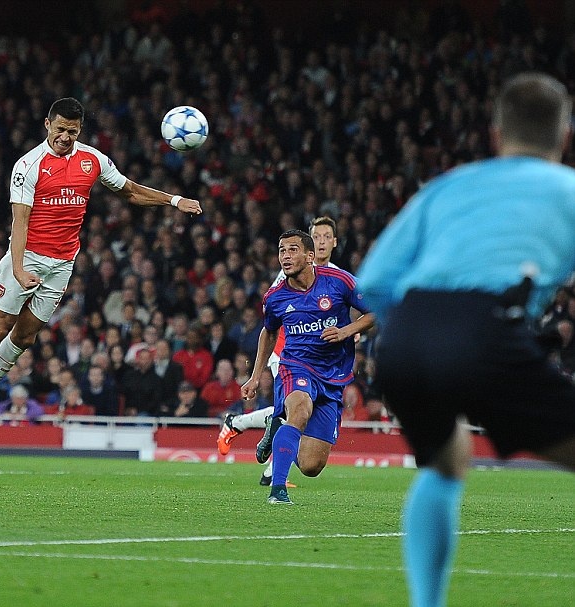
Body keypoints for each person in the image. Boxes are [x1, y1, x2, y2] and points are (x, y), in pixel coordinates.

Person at [356, 72, 575, 607]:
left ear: (495, 135)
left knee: (447, 460)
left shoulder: (448, 186)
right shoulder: (567, 189)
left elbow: (372, 282)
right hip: (485, 329)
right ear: (565, 135)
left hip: (405, 338)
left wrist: (425, 332)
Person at [0, 97, 202, 440]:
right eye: (59, 129)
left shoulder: (93, 160)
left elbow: (129, 191)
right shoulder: (28, 166)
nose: (65, 137)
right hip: (26, 256)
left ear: (79, 130)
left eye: (71, 131)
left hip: (62, 264)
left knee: (25, 337)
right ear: (47, 125)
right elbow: (19, 223)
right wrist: (19, 269)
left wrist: (174, 200)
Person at [239, 229, 373, 504]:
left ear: (310, 256)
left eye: (292, 250)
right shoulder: (275, 297)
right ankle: (278, 490)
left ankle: (279, 430)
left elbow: (374, 311)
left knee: (312, 466)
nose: (285, 256)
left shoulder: (339, 281)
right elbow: (269, 332)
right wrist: (255, 377)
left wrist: (346, 331)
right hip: (295, 366)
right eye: (281, 251)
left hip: (333, 375)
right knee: (299, 409)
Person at [218, 216, 341, 485]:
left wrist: (348, 332)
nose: (321, 241)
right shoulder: (290, 270)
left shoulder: (336, 276)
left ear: (334, 242)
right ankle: (268, 451)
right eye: (316, 236)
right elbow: (273, 310)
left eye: (326, 237)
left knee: (297, 413)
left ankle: (257, 447)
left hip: (318, 359)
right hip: (287, 350)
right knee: (295, 409)